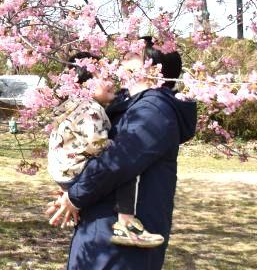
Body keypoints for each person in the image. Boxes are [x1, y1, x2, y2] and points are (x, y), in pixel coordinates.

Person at [49, 38, 196, 270]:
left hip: (124, 237)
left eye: (132, 55)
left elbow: (117, 162)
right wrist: (72, 181)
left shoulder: (153, 110)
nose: (122, 58)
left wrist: (75, 196)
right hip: (103, 225)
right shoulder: (125, 105)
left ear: (154, 66)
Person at [47, 52, 164, 248]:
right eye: (106, 78)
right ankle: (126, 222)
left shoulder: (71, 105)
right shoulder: (91, 108)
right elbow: (96, 144)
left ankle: (69, 206)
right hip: (74, 170)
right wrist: (117, 146)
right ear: (85, 83)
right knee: (125, 168)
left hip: (61, 172)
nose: (113, 83)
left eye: (112, 77)